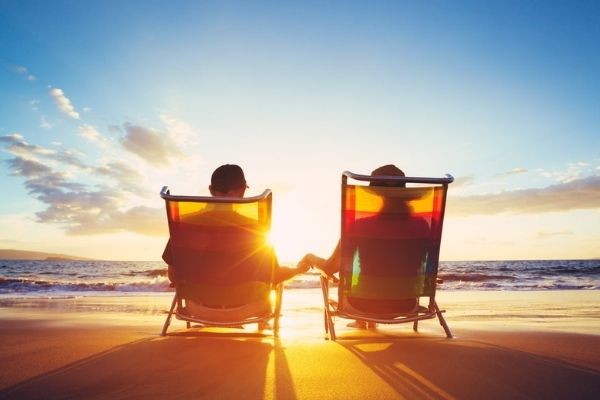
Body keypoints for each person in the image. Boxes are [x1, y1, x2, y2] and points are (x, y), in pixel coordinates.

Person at [163, 164, 308, 326]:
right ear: (241, 191)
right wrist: (298, 270)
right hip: (250, 309)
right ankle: (262, 325)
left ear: (211, 189)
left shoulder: (186, 225)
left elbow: (173, 276)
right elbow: (274, 276)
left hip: (197, 310)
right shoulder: (256, 229)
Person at [299, 164, 429, 329]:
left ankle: (364, 319)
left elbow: (331, 268)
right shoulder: (422, 226)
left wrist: (310, 257)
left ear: (375, 194)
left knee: (363, 282)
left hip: (361, 305)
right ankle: (366, 321)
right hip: (406, 304)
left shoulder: (360, 226)